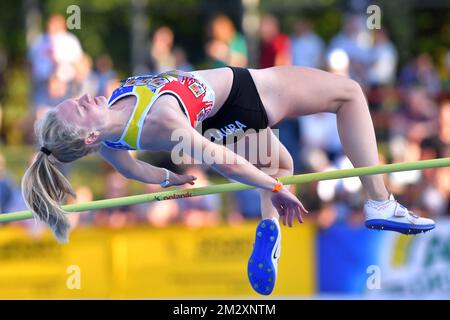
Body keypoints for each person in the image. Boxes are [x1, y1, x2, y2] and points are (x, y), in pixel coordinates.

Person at [21, 66, 435, 296]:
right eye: (78, 109)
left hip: (220, 120)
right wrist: (275, 191)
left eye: (73, 100)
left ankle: (269, 229)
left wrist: (170, 178)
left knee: (283, 163)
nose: (82, 98)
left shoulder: (111, 135)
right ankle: (379, 200)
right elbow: (227, 163)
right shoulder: (163, 122)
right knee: (349, 94)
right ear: (89, 136)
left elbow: (131, 169)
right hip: (250, 94)